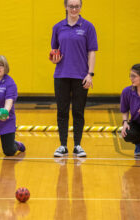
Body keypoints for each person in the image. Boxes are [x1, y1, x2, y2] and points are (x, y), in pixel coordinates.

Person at [50, 0, 98, 157]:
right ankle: (62, 145)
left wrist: (90, 74)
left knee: (78, 111)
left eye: (77, 6)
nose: (74, 9)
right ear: (65, 7)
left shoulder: (88, 27)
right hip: (61, 75)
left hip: (81, 76)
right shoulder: (58, 27)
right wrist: (54, 59)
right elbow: (54, 51)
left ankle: (78, 145)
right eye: (71, 6)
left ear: (81, 7)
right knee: (62, 111)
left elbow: (92, 51)